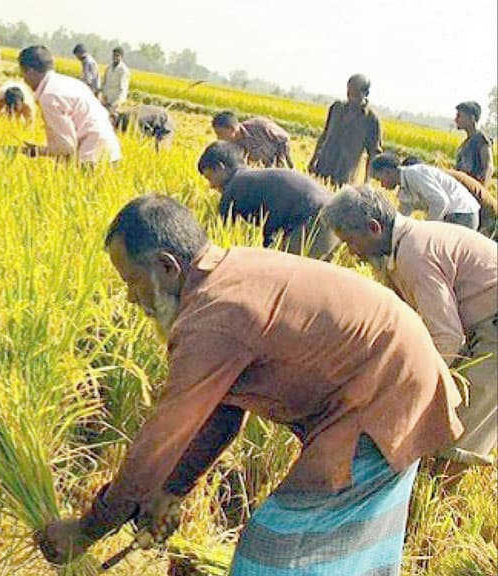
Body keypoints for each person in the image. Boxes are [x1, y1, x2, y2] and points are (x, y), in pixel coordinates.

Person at [36, 194, 462, 576]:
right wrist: (173, 490)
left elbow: (162, 438)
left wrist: (88, 529)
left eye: (132, 281)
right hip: (397, 379)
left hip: (384, 398)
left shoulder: (214, 318)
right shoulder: (225, 275)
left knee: (275, 544)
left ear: (167, 267)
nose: (131, 297)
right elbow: (222, 416)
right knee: (343, 545)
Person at [323, 185, 496, 479]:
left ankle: (435, 503)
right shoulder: (396, 251)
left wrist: (411, 389)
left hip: (492, 328)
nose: (351, 253)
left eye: (351, 242)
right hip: (481, 322)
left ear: (374, 228)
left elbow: (448, 338)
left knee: (461, 426)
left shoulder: (415, 253)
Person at [197, 142, 338, 258]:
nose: (211, 186)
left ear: (220, 168)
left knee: (285, 274)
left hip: (314, 219)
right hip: (334, 214)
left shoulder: (233, 188)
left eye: (209, 178)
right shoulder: (254, 178)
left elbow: (218, 239)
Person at [17, 46, 122, 165]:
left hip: (91, 157)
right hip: (111, 151)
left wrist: (36, 151)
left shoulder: (50, 96)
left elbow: (66, 146)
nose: (24, 79)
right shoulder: (70, 83)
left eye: (23, 73)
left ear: (31, 71)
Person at [370, 153, 480, 229]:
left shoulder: (414, 174)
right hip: (454, 214)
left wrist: (425, 229)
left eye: (380, 180)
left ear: (387, 172)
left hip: (462, 214)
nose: (382, 185)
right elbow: (402, 216)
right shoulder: (404, 187)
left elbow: (440, 202)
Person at [308, 74, 383, 186]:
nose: (351, 98)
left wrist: (366, 183)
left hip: (345, 178)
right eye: (349, 93)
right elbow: (324, 135)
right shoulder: (336, 108)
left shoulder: (372, 120)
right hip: (323, 168)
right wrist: (313, 160)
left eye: (356, 94)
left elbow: (373, 153)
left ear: (366, 94)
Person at [405, 157, 498, 237]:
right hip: (477, 212)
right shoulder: (437, 177)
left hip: (486, 214)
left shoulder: (434, 181)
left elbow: (441, 205)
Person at [212, 111, 293, 168]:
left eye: (220, 134)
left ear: (232, 129)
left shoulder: (259, 125)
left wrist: (281, 163)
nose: (218, 138)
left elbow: (284, 138)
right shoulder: (231, 147)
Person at [454, 101, 494, 185]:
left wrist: (481, 189)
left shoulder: (481, 138)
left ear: (471, 118)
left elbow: (488, 167)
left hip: (472, 189)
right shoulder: (464, 144)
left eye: (459, 116)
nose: (455, 119)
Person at [101, 47, 130, 119]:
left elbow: (123, 89)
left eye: (117, 56)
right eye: (114, 55)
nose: (115, 57)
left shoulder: (123, 70)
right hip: (107, 99)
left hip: (116, 102)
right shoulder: (108, 68)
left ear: (121, 57)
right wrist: (104, 96)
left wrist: (117, 103)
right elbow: (104, 83)